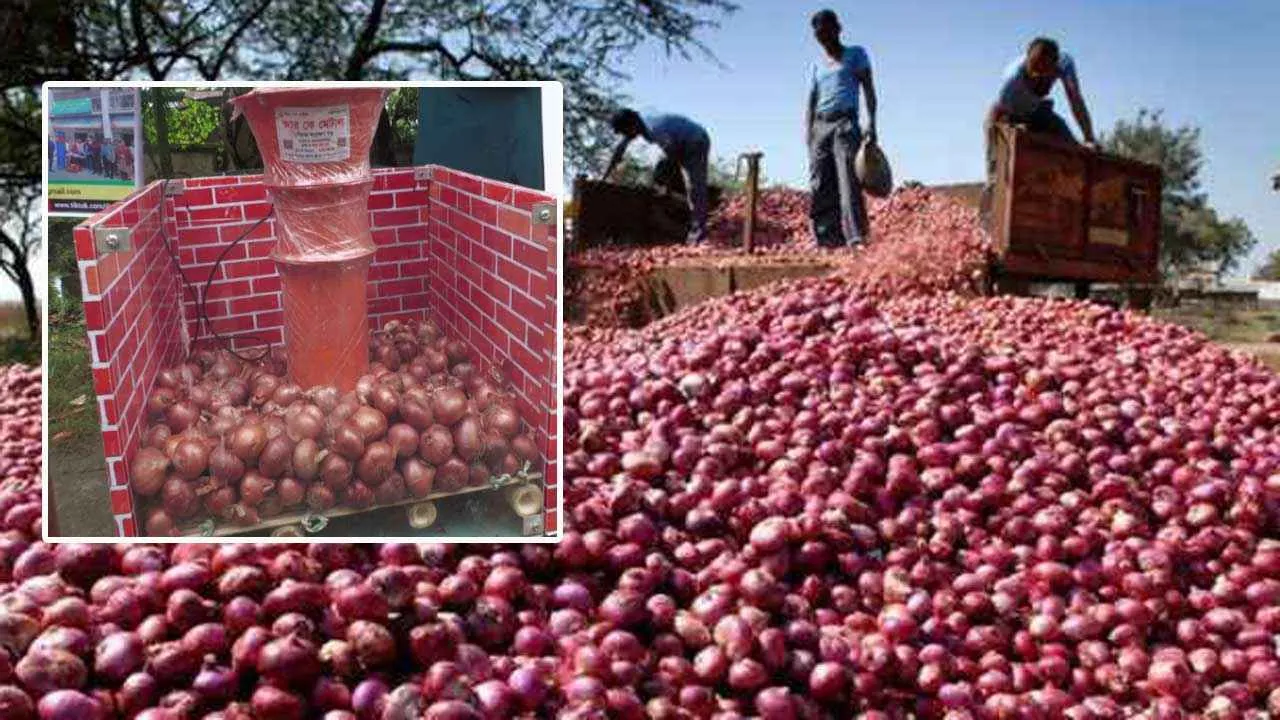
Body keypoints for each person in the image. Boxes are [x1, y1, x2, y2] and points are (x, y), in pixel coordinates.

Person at [806, 9, 878, 248]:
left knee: (848, 180)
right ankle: (827, 238)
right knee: (820, 182)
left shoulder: (856, 54)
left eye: (827, 30)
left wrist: (872, 123)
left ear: (838, 29)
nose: (824, 37)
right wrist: (809, 132)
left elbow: (868, 88)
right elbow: (811, 100)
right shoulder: (817, 66)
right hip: (820, 125)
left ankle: (856, 236)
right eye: (819, 34)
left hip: (845, 123)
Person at [602, 109, 711, 245]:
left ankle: (699, 232)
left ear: (632, 125)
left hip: (695, 140)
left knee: (694, 187)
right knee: (663, 168)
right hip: (679, 142)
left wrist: (668, 186)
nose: (626, 136)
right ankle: (692, 218)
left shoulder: (654, 129)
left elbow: (673, 157)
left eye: (626, 132)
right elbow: (620, 149)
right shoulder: (638, 123)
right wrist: (604, 177)